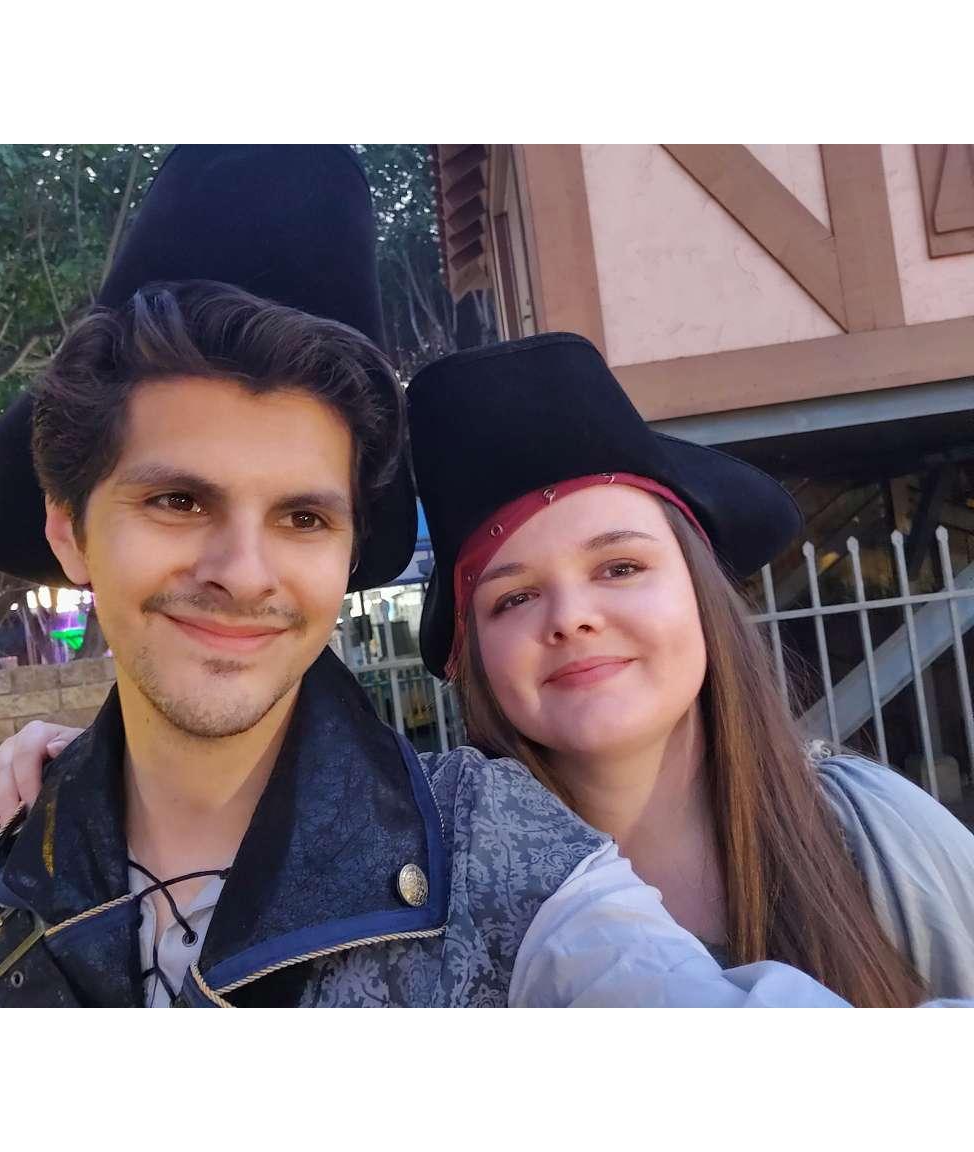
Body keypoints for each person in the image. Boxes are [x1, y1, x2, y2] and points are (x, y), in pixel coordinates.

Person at [0, 146, 838, 1010]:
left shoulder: (502, 856)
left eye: (302, 517)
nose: (245, 574)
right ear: (71, 533)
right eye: (179, 502)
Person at [405, 333, 974, 1007]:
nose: (571, 616)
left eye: (620, 567)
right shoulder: (432, 918)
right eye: (514, 597)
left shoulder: (877, 832)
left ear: (702, 595)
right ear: (476, 662)